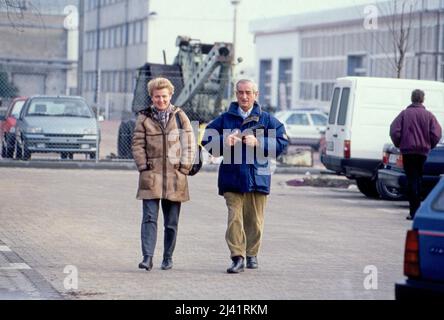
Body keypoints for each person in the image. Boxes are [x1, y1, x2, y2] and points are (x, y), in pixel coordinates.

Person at [202, 79, 288, 273]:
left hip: (258, 176)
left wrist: (258, 142)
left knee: (255, 221)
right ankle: (237, 257)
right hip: (232, 177)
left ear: (255, 95)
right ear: (236, 94)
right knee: (235, 217)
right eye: (240, 92)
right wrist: (224, 141)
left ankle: (251, 254)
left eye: (248, 92)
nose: (244, 96)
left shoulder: (266, 119)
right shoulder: (225, 119)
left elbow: (282, 143)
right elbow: (206, 140)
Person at [132, 77, 196, 271]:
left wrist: (184, 168)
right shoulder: (144, 117)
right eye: (157, 97)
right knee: (149, 218)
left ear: (170, 95)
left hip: (175, 177)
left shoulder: (180, 116)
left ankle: (167, 257)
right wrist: (143, 166)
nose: (161, 100)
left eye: (164, 96)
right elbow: (137, 145)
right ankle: (147, 257)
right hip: (151, 176)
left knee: (171, 222)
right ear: (151, 97)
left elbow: (190, 143)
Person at [390, 89, 442, 220]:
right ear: (422, 99)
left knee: (411, 179)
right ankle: (417, 210)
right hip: (422, 152)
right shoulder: (429, 115)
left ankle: (414, 211)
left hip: (408, 151)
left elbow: (394, 131)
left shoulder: (404, 114)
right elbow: (437, 133)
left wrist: (399, 143)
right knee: (418, 178)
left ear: (412, 99)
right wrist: (430, 145)